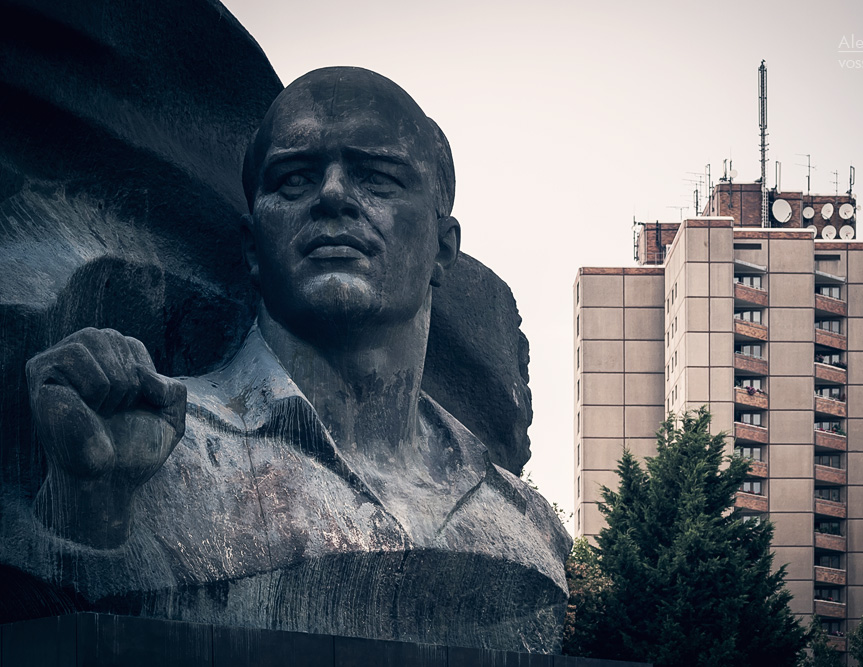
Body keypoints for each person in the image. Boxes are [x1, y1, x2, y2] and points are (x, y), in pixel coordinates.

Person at [7, 67, 570, 654]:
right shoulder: (147, 453)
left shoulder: (524, 525)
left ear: (443, 249)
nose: (332, 196)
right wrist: (86, 506)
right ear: (253, 248)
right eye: (295, 179)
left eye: (377, 177)